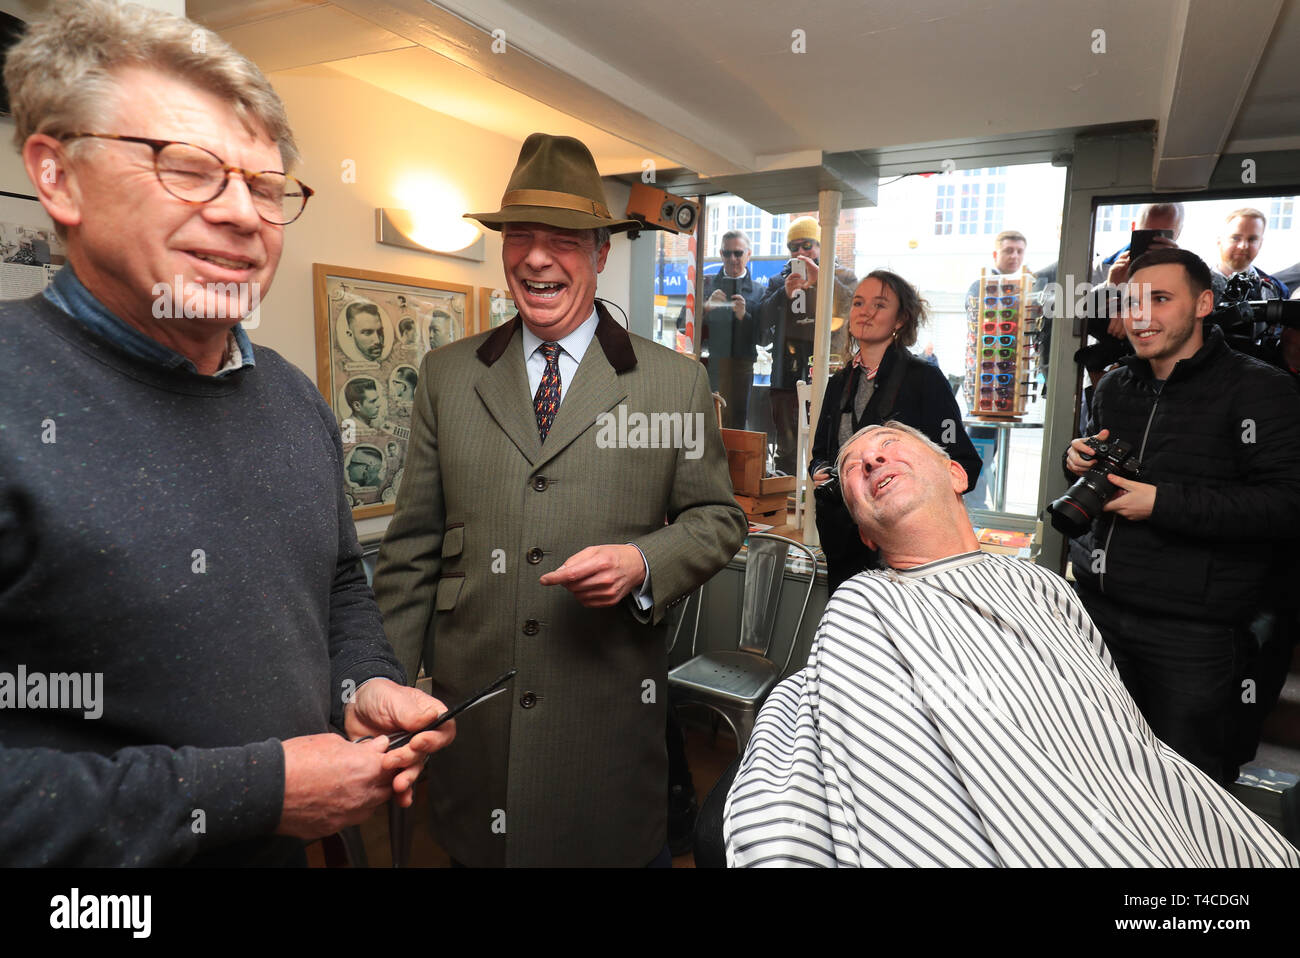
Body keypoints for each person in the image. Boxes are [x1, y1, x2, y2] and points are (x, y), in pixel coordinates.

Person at [0, 0, 453, 866]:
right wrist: (260, 792)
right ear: (57, 177)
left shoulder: (290, 398)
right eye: (191, 169)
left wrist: (364, 685)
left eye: (267, 186)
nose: (244, 215)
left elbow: (339, 587)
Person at [374, 132, 747, 867]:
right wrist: (384, 689)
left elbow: (718, 519)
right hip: (475, 740)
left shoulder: (671, 382)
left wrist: (645, 561)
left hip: (603, 737)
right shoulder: (449, 376)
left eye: (563, 240)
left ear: (601, 253)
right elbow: (411, 550)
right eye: (520, 235)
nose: (537, 257)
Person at [724, 421, 1299, 867]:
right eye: (853, 469)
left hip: (1126, 810)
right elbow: (888, 772)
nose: (872, 458)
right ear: (866, 530)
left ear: (956, 474)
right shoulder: (864, 606)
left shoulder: (1044, 587)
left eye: (890, 444)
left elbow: (1113, 732)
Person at [1064, 248, 1300, 785]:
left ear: (1204, 304)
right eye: (1132, 302)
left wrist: (1161, 504)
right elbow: (1101, 475)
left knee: (1186, 789)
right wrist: (1073, 460)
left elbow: (1287, 505)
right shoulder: (1114, 386)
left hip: (1194, 634)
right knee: (1098, 774)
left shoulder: (1261, 389)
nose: (1142, 315)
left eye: (1161, 299)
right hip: (1098, 615)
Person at [809, 270, 981, 592]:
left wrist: (912, 501)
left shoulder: (924, 379)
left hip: (906, 555)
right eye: (859, 303)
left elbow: (963, 462)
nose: (865, 312)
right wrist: (821, 471)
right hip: (842, 545)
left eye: (879, 304)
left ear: (901, 320)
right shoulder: (838, 383)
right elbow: (820, 454)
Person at [758, 216, 856, 474]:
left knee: (831, 447)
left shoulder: (843, 276)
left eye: (807, 244)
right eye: (794, 247)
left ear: (822, 245)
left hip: (829, 376)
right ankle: (788, 504)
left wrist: (822, 279)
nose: (800, 252)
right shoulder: (778, 282)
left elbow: (852, 313)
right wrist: (783, 295)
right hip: (786, 378)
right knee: (787, 450)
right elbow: (760, 332)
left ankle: (825, 504)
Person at [679, 229, 763, 429]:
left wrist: (745, 316)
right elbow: (682, 325)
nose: (732, 258)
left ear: (748, 255)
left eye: (738, 253)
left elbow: (764, 338)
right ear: (720, 254)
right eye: (727, 253)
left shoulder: (759, 290)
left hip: (741, 371)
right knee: (705, 426)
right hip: (708, 367)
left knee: (737, 427)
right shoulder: (705, 285)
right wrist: (706, 308)